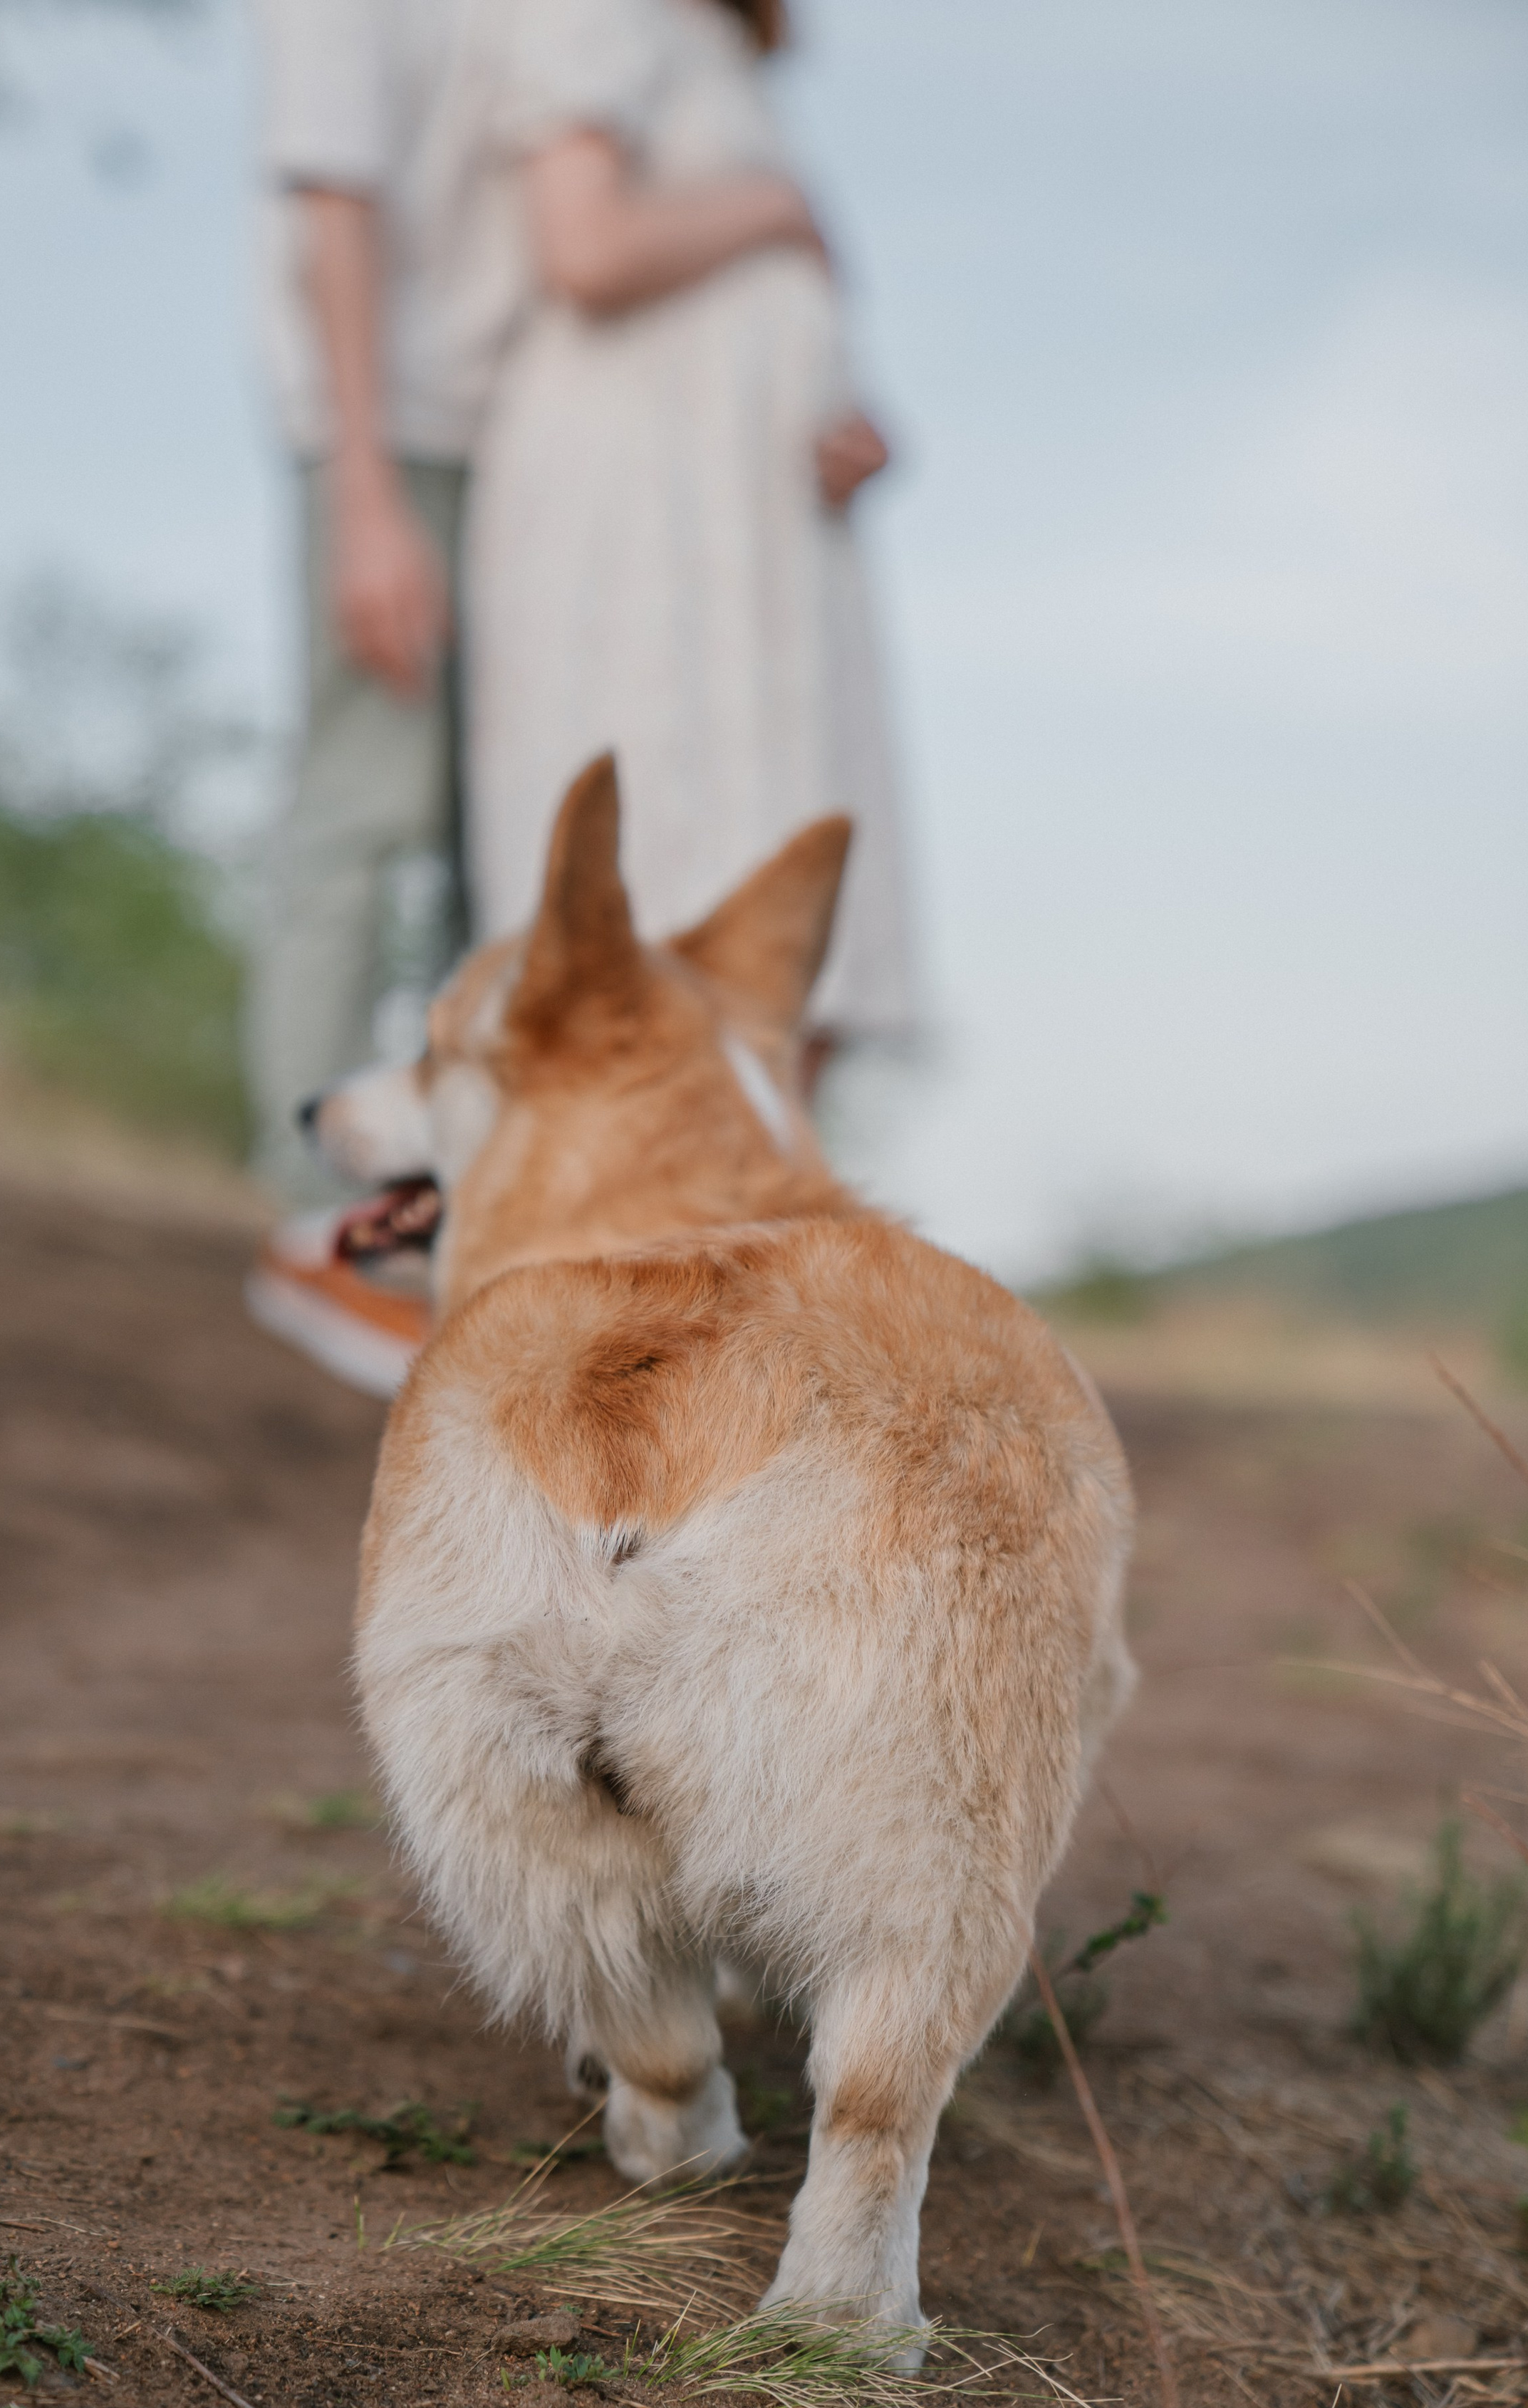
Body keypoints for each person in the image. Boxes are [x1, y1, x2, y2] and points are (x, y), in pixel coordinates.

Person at [465, 0, 921, 1087]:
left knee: (787, 907)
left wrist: (847, 417)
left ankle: (739, 1243)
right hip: (643, 521)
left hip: (768, 551)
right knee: (661, 882)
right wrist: (776, 207)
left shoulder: (728, 53)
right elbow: (585, 246)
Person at [242, 0, 529, 1390]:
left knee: (503, 848)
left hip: (527, 450)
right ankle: (320, 1224)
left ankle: (460, 1217)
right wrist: (362, 490)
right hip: (390, 437)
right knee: (362, 813)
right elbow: (329, 202)